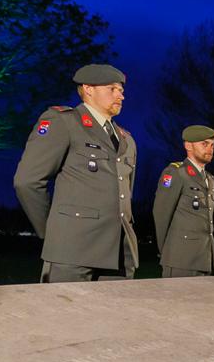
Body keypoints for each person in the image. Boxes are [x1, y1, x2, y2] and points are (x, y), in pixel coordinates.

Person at [14, 63, 138, 282]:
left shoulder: (126, 139)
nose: (121, 95)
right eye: (112, 89)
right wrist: (53, 232)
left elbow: (124, 192)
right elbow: (27, 182)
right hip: (72, 250)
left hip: (118, 253)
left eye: (121, 90)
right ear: (89, 89)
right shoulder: (64, 122)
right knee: (65, 315)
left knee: (114, 317)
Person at [153, 125, 214, 278]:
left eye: (212, 145)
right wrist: (167, 251)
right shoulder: (176, 173)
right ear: (188, 145)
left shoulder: (210, 178)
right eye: (204, 144)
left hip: (204, 258)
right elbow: (161, 214)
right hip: (180, 259)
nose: (210, 148)